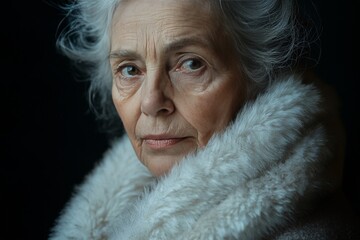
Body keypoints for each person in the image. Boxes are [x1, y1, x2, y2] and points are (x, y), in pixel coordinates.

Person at [49, 0, 359, 239]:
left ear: (257, 76)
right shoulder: (116, 211)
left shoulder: (312, 231)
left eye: (191, 64)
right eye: (130, 69)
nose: (151, 102)